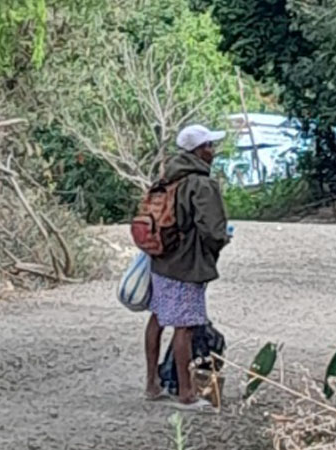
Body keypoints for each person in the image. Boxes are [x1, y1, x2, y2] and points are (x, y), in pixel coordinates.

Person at [144, 124, 230, 410]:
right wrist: (220, 242)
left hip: (160, 260)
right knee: (186, 327)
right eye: (209, 146)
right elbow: (213, 231)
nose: (213, 152)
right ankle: (186, 392)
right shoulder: (201, 184)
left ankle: (152, 384)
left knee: (158, 319)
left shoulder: (166, 179)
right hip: (187, 264)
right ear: (198, 151)